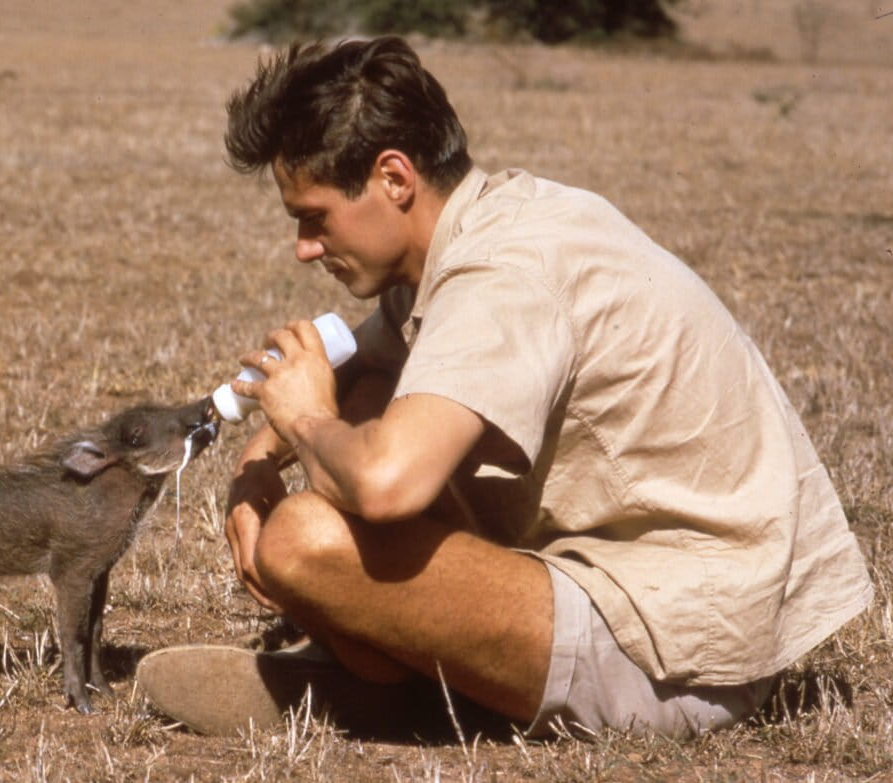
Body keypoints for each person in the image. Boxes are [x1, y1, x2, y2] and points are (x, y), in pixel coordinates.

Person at [136, 36, 873, 739]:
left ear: (394, 178)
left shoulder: (503, 278)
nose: (303, 250)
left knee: (305, 539)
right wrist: (254, 464)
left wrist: (301, 424)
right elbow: (354, 367)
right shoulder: (487, 227)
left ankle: (399, 695)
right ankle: (404, 676)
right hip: (654, 597)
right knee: (365, 404)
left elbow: (388, 483)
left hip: (683, 651)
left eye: (314, 219)